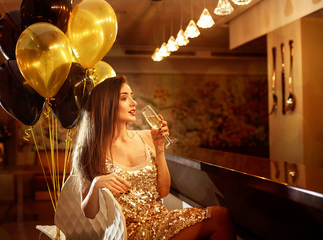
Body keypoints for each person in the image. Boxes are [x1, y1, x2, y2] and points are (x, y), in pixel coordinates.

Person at [71, 75, 236, 240]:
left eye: (132, 97)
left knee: (221, 216)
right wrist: (95, 185)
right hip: (127, 233)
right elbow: (89, 213)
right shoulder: (91, 151)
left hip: (161, 222)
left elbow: (163, 191)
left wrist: (159, 148)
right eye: (124, 98)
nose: (133, 103)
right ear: (106, 105)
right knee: (220, 218)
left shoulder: (147, 137)